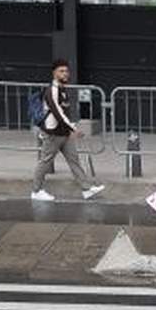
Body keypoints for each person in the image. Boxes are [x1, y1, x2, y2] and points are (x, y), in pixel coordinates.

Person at [30, 58, 104, 203]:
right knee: (45, 161)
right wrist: (73, 128)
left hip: (64, 133)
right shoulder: (52, 90)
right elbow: (57, 112)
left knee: (74, 160)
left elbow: (65, 112)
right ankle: (36, 191)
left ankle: (86, 189)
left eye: (66, 71)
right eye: (61, 71)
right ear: (54, 73)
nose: (65, 74)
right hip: (53, 133)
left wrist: (69, 129)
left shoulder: (62, 89)